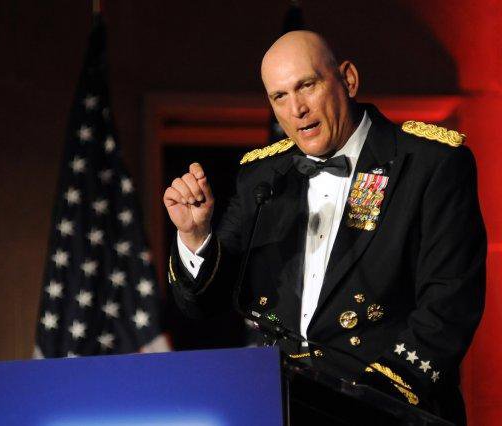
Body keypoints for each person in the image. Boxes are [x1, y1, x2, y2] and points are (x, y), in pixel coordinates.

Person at [162, 31, 485, 424]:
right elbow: (201, 304)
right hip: (286, 408)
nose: (296, 109)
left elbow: (448, 306)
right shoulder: (263, 176)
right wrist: (195, 235)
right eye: (280, 96)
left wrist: (366, 401)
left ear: (348, 79)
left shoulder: (429, 164)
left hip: (390, 409)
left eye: (307, 86)